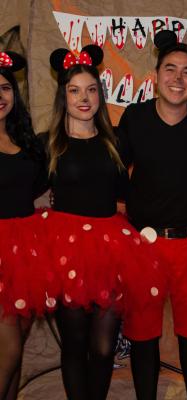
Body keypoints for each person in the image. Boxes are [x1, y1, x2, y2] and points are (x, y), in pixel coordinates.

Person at [44, 44, 162, 400]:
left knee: (104, 346)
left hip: (111, 249)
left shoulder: (115, 142)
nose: (84, 98)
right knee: (75, 343)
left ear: (100, 94)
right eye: (75, 90)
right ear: (63, 96)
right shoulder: (48, 144)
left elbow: (130, 190)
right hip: (65, 251)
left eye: (92, 90)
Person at [118, 30, 187, 400]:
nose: (178, 78)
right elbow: (115, 170)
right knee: (143, 334)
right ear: (156, 75)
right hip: (143, 245)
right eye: (170, 69)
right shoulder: (135, 117)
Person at [0, 51, 50, 399]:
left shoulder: (26, 140)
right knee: (10, 345)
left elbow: (34, 185)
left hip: (26, 247)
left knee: (18, 338)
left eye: (4, 88)